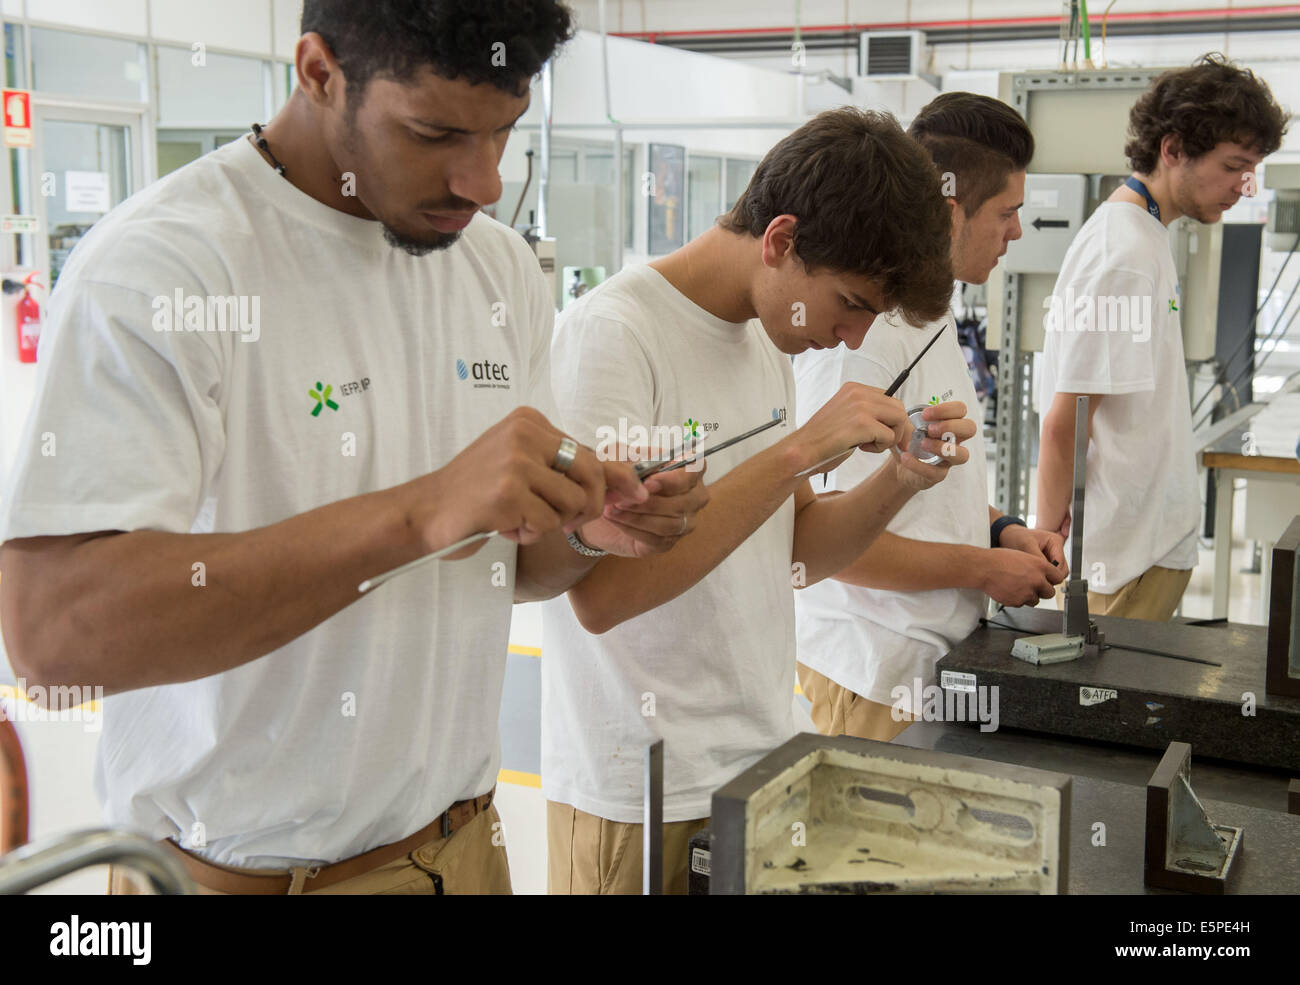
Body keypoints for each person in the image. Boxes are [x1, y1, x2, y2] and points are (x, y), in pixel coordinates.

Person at [0, 0, 705, 896]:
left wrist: (585, 530)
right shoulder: (166, 267)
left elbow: (508, 569)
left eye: (505, 133)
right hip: (243, 877)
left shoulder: (493, 269)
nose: (483, 181)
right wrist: (418, 512)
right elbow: (53, 631)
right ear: (319, 72)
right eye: (435, 132)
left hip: (463, 848)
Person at [542, 107, 976, 894]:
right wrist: (799, 450)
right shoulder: (615, 333)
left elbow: (796, 549)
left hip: (759, 769)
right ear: (780, 240)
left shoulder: (764, 342)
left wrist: (898, 481)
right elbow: (600, 596)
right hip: (644, 796)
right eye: (849, 303)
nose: (849, 338)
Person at [792, 92, 1067, 742]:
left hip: (930, 659)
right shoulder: (864, 335)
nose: (1017, 232)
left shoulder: (931, 312)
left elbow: (921, 485)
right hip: (874, 673)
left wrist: (1000, 531)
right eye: (1007, 212)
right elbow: (826, 547)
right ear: (950, 213)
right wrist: (982, 568)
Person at [1036, 54, 1289, 621]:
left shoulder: (1144, 236)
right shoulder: (1125, 252)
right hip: (1122, 560)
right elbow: (1065, 421)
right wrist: (1043, 543)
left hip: (1141, 547)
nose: (1244, 187)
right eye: (1233, 166)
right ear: (1172, 149)